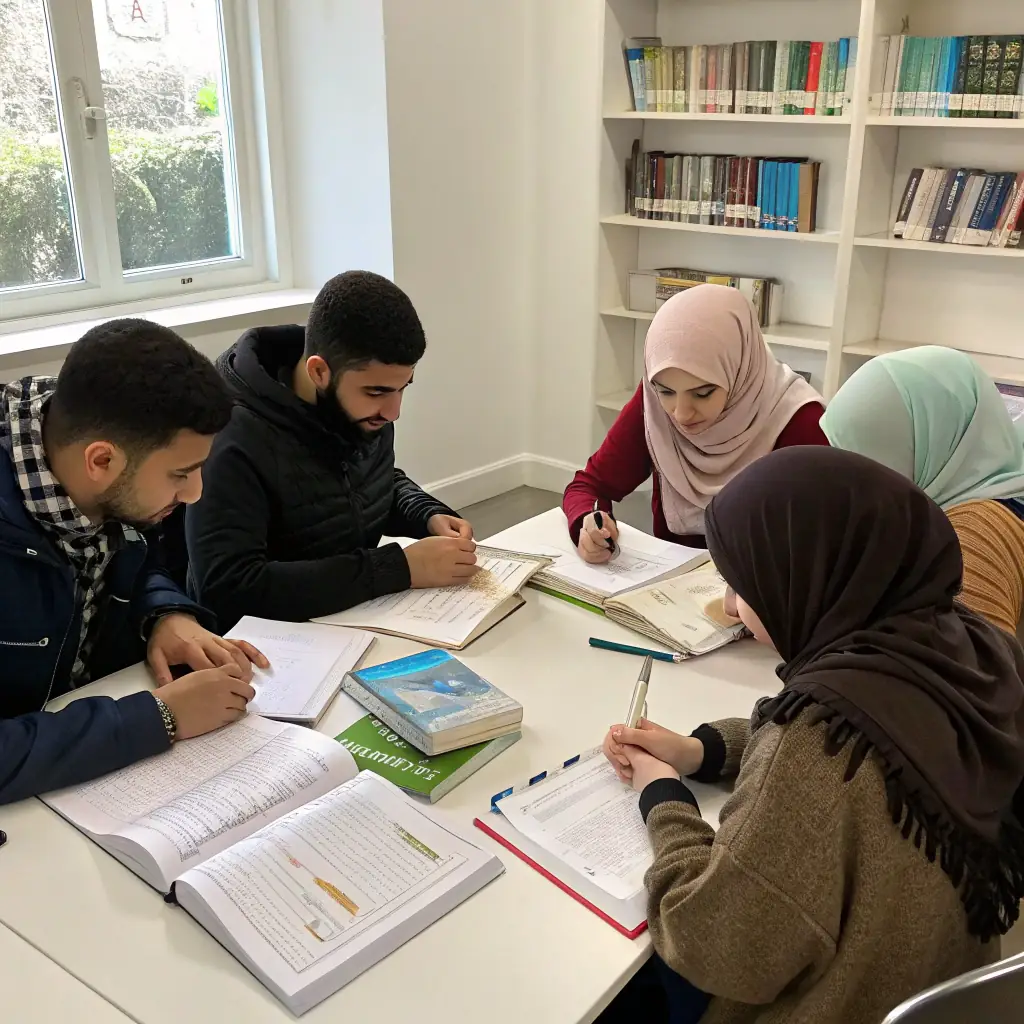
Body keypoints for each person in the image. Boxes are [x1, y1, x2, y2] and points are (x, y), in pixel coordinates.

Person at [602, 446, 1024, 1024]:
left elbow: (715, 945)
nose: (730, 606)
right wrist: (705, 751)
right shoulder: (970, 651)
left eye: (742, 585)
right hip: (933, 985)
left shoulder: (811, 751)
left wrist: (662, 795)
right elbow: (878, 741)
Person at [0, 319, 267, 806]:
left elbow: (133, 564)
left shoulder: (89, 455)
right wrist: (158, 718)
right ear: (100, 461)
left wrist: (164, 615)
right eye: (181, 474)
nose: (195, 493)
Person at [186, 271, 477, 629]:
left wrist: (425, 513)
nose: (393, 412)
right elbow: (228, 590)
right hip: (267, 644)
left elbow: (368, 482)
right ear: (319, 372)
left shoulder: (360, 410)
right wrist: (397, 568)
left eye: (403, 388)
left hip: (348, 619)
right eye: (377, 392)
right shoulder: (232, 436)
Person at [563, 284, 827, 562]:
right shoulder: (652, 402)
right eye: (666, 392)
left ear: (740, 370)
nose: (680, 414)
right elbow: (589, 486)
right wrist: (588, 523)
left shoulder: (800, 422)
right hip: (670, 580)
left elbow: (818, 545)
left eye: (702, 393)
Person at [822, 346, 1024, 635]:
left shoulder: (971, 538)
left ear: (926, 443)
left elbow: (964, 662)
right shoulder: (971, 502)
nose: (852, 484)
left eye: (870, 455)